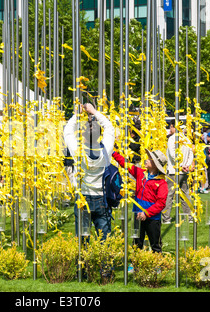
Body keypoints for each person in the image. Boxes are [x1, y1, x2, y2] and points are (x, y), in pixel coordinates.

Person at [63, 102, 115, 241]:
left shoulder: (78, 151)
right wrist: (94, 111)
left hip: (83, 197)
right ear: (99, 135)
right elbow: (110, 128)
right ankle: (105, 263)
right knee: (104, 240)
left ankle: (83, 262)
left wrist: (76, 115)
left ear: (83, 135)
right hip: (101, 198)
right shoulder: (106, 150)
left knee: (82, 240)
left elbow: (67, 131)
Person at [112, 148, 168, 253]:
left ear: (155, 164)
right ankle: (135, 264)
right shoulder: (141, 174)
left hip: (153, 219)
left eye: (150, 159)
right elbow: (126, 164)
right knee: (137, 243)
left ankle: (158, 266)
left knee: (155, 244)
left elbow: (161, 203)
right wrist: (113, 153)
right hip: (137, 215)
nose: (146, 160)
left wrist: (147, 213)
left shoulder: (161, 183)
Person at [162, 124, 194, 224]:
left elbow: (172, 154)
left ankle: (166, 218)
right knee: (185, 194)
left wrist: (180, 165)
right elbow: (191, 154)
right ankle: (189, 217)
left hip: (173, 171)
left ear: (173, 127)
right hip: (184, 171)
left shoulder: (172, 139)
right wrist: (187, 165)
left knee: (169, 195)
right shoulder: (186, 139)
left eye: (170, 127)